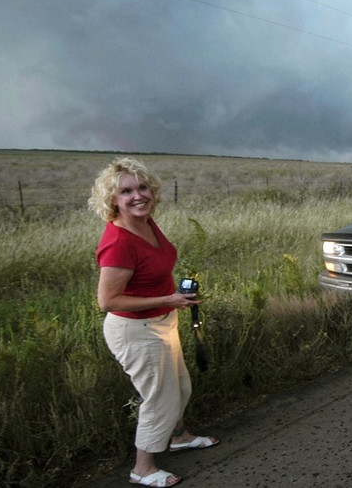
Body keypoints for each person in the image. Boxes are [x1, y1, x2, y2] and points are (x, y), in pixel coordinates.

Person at [89, 157, 219, 487]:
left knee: (180, 386)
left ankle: (179, 437)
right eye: (126, 191)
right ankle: (142, 468)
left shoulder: (145, 222)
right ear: (112, 200)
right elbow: (107, 301)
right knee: (160, 397)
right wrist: (168, 299)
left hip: (162, 321)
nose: (138, 196)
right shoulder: (118, 242)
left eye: (142, 187)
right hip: (136, 330)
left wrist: (171, 301)